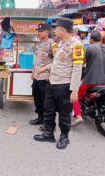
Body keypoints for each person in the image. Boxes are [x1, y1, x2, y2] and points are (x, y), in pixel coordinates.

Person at [33, 18, 84, 149]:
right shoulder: (60, 44)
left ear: (62, 29)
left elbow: (77, 68)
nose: (54, 31)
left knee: (64, 112)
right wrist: (43, 69)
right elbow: (56, 63)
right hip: (52, 82)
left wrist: (74, 90)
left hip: (64, 84)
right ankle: (49, 133)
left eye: (56, 28)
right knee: (48, 109)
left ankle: (64, 137)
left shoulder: (76, 45)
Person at [71, 31, 105, 126]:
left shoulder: (90, 48)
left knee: (75, 94)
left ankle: (78, 116)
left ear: (91, 40)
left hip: (91, 80)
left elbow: (82, 62)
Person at [30, 23, 57, 125]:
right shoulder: (39, 44)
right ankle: (40, 117)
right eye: (38, 31)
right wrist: (33, 72)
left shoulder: (52, 44)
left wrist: (49, 73)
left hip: (45, 77)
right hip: (37, 77)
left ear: (47, 32)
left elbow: (56, 62)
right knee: (37, 99)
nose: (39, 33)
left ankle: (48, 122)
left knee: (46, 102)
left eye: (41, 31)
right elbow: (36, 60)